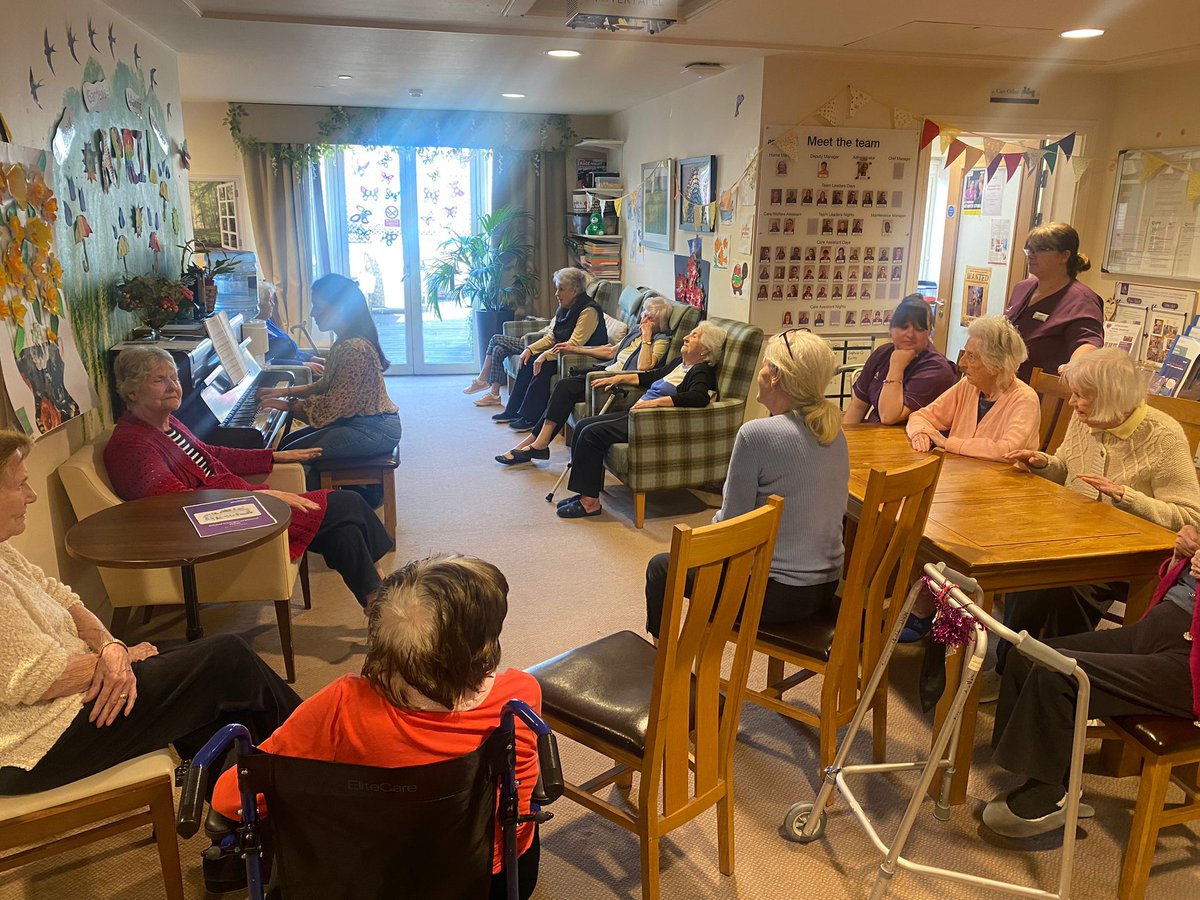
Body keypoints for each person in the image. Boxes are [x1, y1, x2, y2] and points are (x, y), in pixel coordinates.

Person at [212, 554, 543, 898]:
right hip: (492, 881)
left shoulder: (342, 705)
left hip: (370, 880)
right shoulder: (519, 698)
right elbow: (520, 808)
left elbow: (229, 799)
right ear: (483, 645)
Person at [0, 429, 301, 795]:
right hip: (35, 743)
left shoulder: (4, 553)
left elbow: (64, 598)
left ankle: (256, 805)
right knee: (225, 659)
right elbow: (42, 679)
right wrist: (119, 656)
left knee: (215, 694)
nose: (31, 496)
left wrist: (111, 647)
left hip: (69, 698)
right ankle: (321, 755)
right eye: (20, 486)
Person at [105, 347, 393, 609]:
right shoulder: (133, 445)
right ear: (131, 392)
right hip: (216, 526)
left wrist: (274, 456)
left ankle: (376, 601)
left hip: (239, 505)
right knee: (347, 504)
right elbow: (177, 504)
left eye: (174, 377)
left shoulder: (167, 424)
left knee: (344, 530)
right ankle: (383, 596)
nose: (173, 386)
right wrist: (260, 496)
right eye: (159, 380)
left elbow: (212, 454)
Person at [983, 525, 1199, 839]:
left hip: (1189, 666)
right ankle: (1051, 777)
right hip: (1159, 629)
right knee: (1027, 655)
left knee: (1060, 673)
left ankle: (1050, 792)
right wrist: (1182, 554)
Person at [996, 348, 1200, 664]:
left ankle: (1063, 667)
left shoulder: (1164, 436)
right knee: (1027, 566)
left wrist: (1127, 497)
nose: (1072, 402)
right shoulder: (1087, 418)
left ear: (1109, 398)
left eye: (1081, 395)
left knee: (1070, 589)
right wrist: (1042, 463)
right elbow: (1066, 467)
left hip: (1127, 555)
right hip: (1073, 537)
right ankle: (1011, 661)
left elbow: (1190, 518)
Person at [643, 329, 848, 639]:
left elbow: (730, 528)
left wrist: (697, 540)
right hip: (824, 589)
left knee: (661, 567)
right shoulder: (834, 433)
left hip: (773, 596)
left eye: (765, 365)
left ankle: (661, 664)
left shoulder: (756, 435)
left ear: (776, 375)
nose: (760, 372)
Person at [557, 322, 727, 519]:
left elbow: (699, 397)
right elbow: (649, 377)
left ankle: (589, 504)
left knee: (592, 433)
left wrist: (656, 403)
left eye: (695, 335)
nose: (687, 337)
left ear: (705, 351)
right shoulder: (678, 364)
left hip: (651, 423)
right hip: (638, 414)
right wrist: (618, 379)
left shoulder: (701, 371)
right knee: (584, 424)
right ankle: (584, 494)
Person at [259, 274, 403, 503]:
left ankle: (324, 510)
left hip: (374, 429)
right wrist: (283, 393)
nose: (313, 313)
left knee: (292, 457)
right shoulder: (344, 341)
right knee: (287, 445)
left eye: (318, 306)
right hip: (360, 422)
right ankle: (338, 497)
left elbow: (329, 408)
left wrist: (286, 406)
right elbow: (325, 385)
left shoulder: (353, 348)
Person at [497, 296, 674, 465]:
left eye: (649, 317)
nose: (643, 319)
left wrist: (646, 338)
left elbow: (644, 367)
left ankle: (537, 444)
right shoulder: (636, 331)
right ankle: (536, 443)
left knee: (565, 387)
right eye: (643, 313)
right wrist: (576, 349)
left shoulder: (660, 340)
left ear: (659, 321)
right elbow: (610, 352)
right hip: (604, 370)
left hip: (616, 381)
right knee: (563, 386)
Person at [906, 316, 1039, 462]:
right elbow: (922, 416)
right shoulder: (968, 386)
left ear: (995, 365)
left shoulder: (1024, 399)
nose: (962, 363)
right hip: (960, 474)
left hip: (1003, 482)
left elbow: (1008, 451)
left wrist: (948, 443)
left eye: (971, 356)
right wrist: (920, 432)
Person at [493, 268, 608, 433]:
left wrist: (545, 355)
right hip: (563, 353)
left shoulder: (588, 310)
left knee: (542, 366)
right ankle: (513, 410)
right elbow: (552, 337)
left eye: (560, 289)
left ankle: (531, 418)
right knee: (528, 360)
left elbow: (574, 343)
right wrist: (530, 349)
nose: (556, 293)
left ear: (574, 290)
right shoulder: (565, 308)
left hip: (581, 357)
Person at [1003, 222, 1103, 382]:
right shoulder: (1022, 288)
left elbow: (1088, 343)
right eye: (1029, 249)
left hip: (1042, 392)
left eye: (1042, 249)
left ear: (1064, 256)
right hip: (1006, 386)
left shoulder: (1082, 300)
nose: (1031, 255)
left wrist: (1075, 365)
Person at [844, 295, 958, 426]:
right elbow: (858, 406)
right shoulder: (882, 353)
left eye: (919, 328)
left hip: (911, 441)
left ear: (929, 332)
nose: (910, 334)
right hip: (875, 435)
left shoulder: (938, 369)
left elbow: (889, 416)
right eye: (903, 326)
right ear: (891, 329)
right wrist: (844, 440)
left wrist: (896, 368)